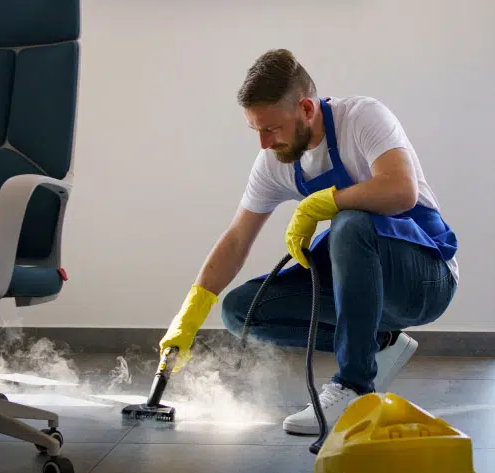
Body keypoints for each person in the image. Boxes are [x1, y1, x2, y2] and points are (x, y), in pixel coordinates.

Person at [158, 49, 458, 435]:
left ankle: (355, 385)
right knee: (240, 311)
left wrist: (323, 202)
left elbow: (401, 190)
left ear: (305, 108)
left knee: (350, 223)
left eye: (272, 128)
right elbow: (236, 239)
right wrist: (190, 314)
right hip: (365, 289)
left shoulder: (362, 118)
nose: (264, 142)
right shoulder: (276, 162)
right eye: (256, 130)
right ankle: (380, 343)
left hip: (424, 279)